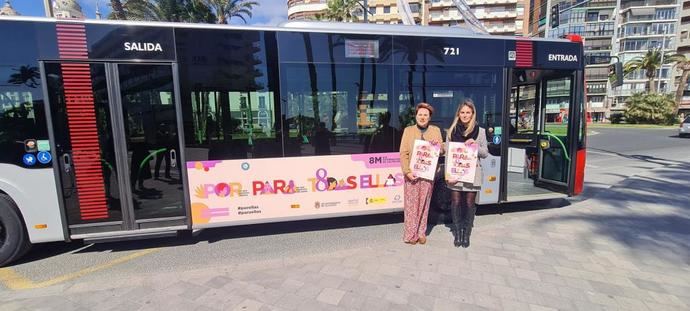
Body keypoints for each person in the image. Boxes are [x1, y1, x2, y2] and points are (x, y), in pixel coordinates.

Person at [445, 99, 488, 248]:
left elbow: (485, 154)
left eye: (468, 112)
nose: (465, 115)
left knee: (469, 203)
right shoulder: (452, 131)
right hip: (455, 172)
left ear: (472, 114)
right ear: (458, 113)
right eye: (462, 112)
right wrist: (447, 176)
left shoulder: (480, 131)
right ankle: (458, 232)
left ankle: (466, 233)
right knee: (456, 202)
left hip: (472, 173)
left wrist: (475, 145)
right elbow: (448, 155)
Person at [399, 103, 443, 245]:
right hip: (412, 174)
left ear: (429, 117)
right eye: (420, 115)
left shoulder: (435, 130)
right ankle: (410, 234)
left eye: (426, 115)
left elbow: (442, 150)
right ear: (416, 116)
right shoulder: (408, 130)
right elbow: (403, 152)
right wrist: (407, 171)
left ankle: (421, 233)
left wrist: (439, 146)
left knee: (424, 205)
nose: (422, 117)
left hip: (428, 175)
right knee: (411, 206)